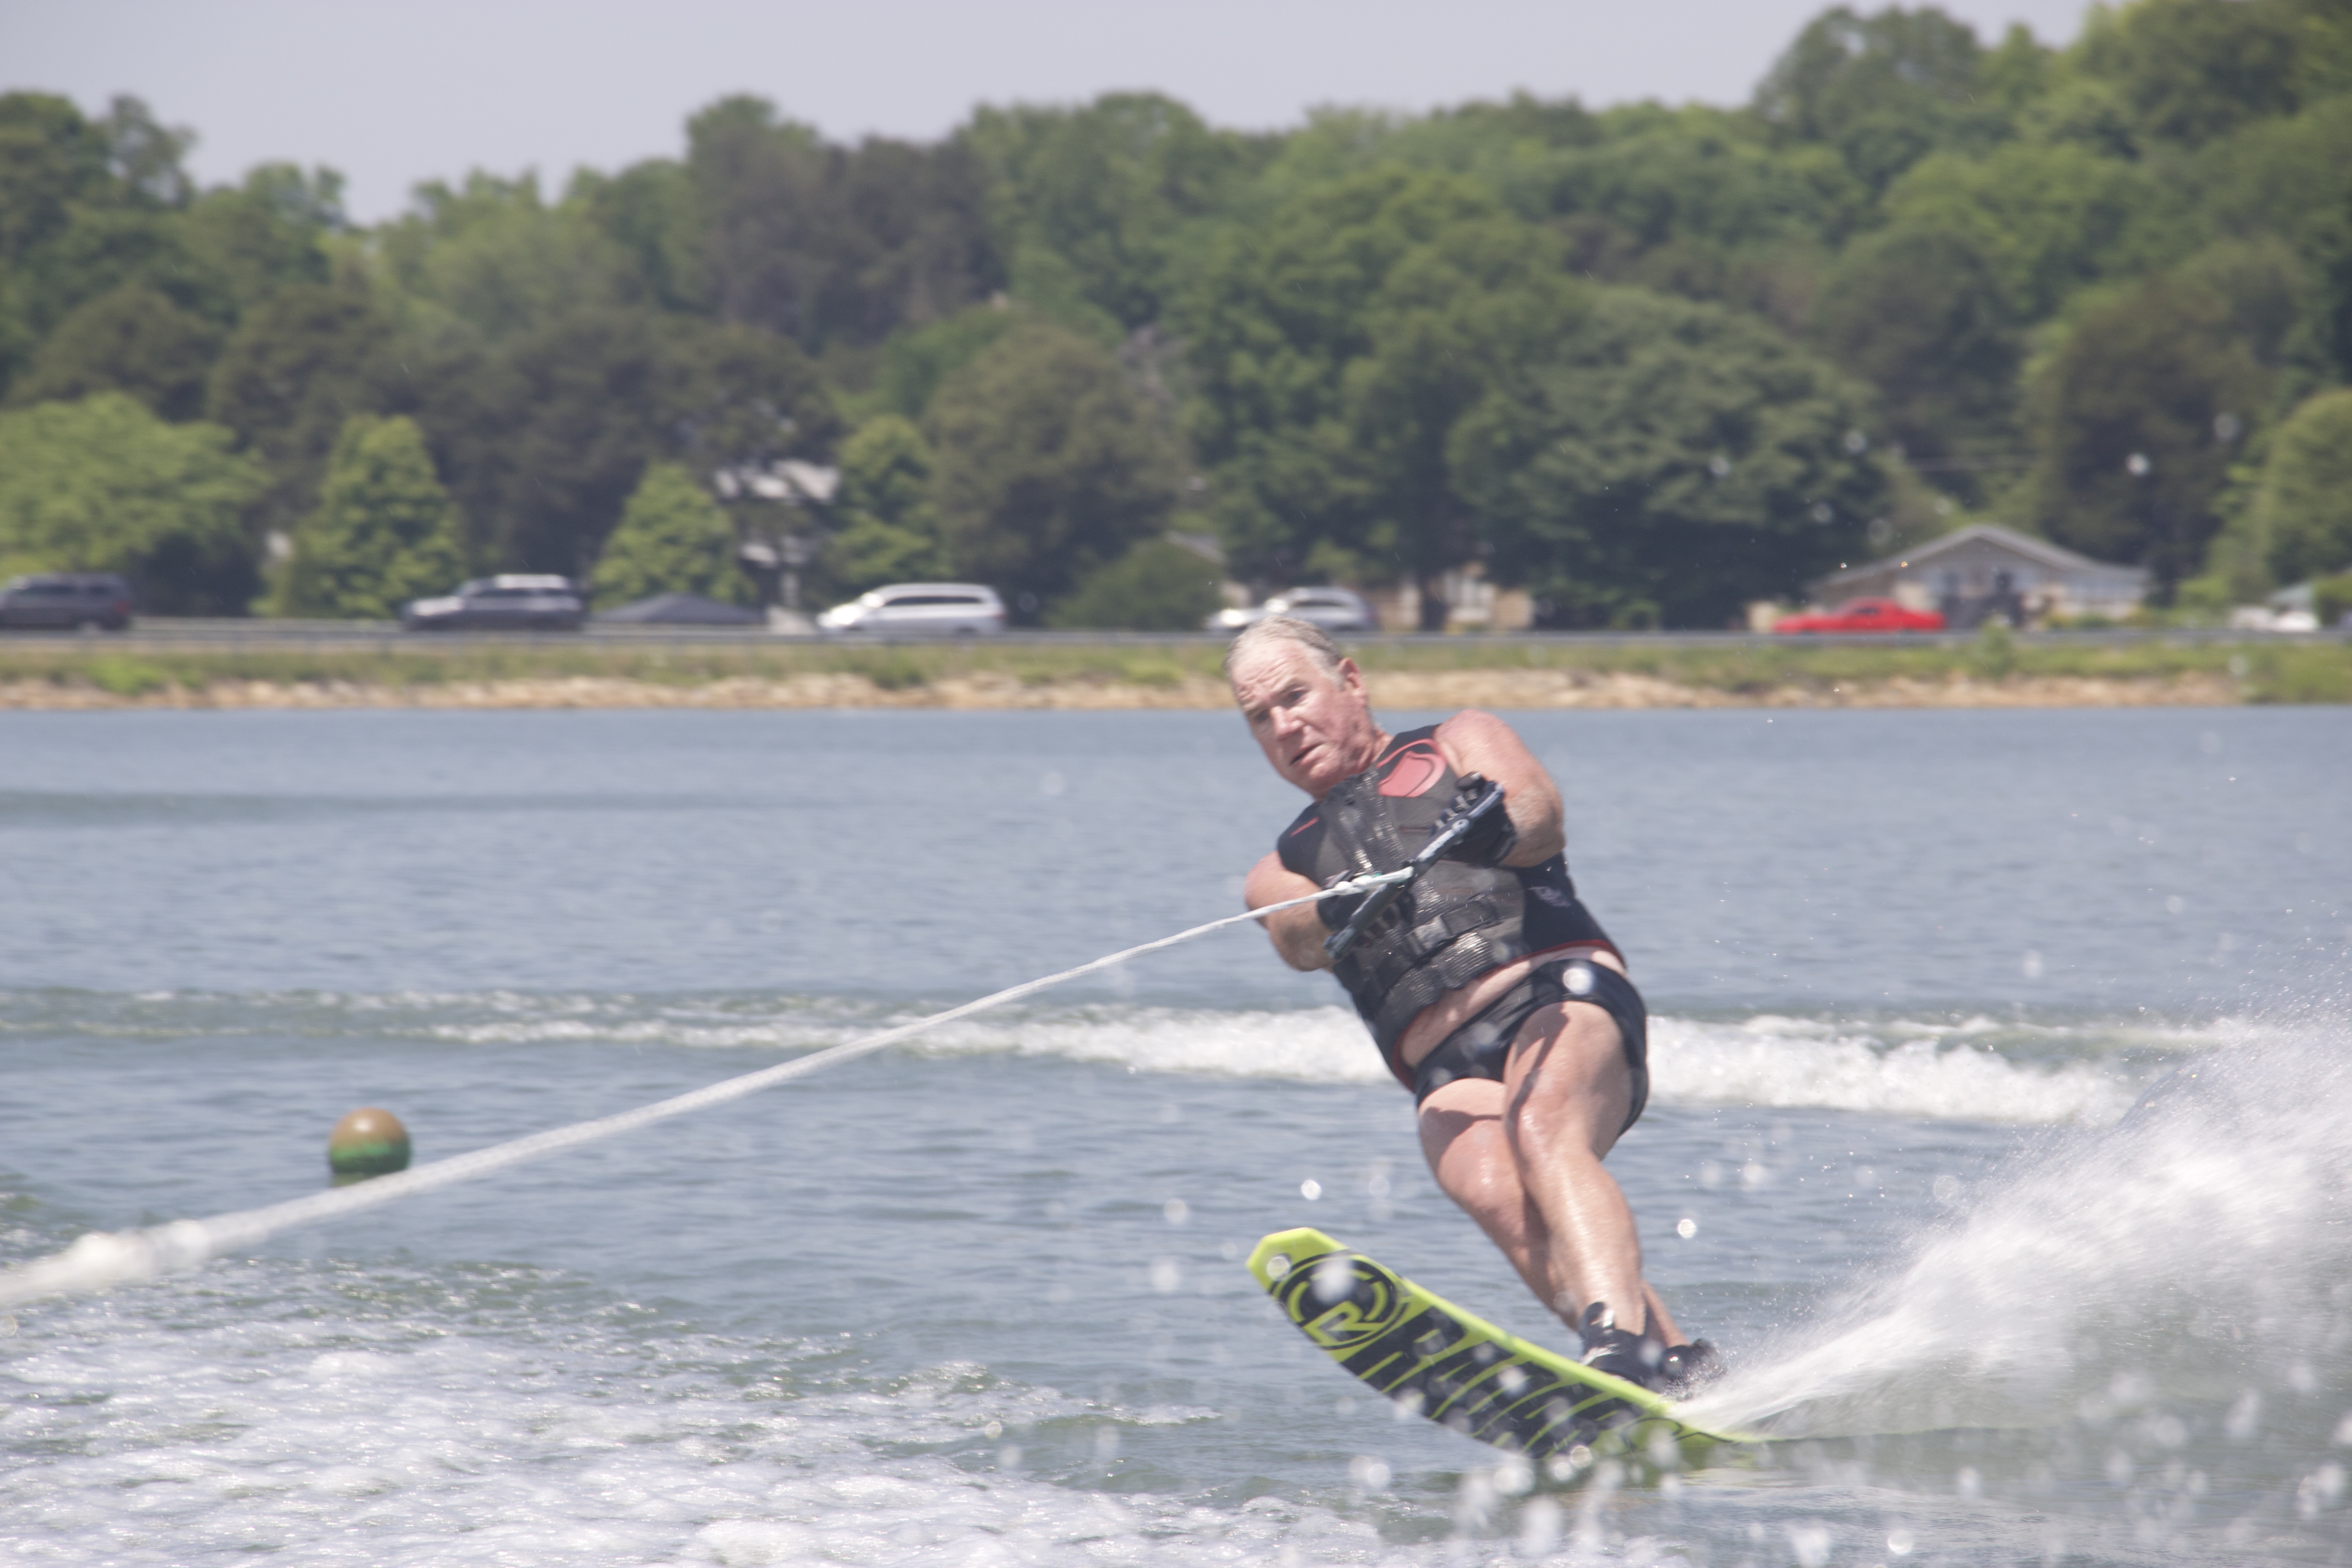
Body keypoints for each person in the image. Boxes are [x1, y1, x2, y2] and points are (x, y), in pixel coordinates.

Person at [1228, 616, 1715, 1393]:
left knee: (1541, 1128)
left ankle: (1615, 1345)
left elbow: (1538, 814)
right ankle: (1675, 1369)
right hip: (1445, 1067)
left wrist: (1490, 829)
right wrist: (1340, 911)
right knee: (1495, 1192)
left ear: (1349, 682)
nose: (1285, 725)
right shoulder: (1276, 866)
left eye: (1295, 696)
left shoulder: (1459, 740)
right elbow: (1294, 935)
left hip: (1557, 995)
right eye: (1261, 717)